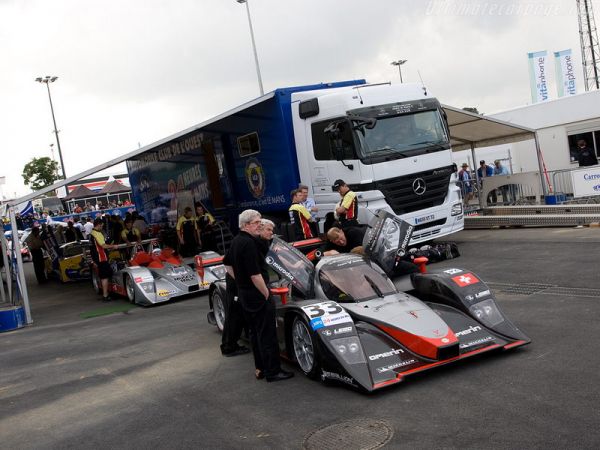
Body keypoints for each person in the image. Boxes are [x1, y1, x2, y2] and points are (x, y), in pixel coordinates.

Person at [225, 209, 293, 382]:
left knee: (255, 333)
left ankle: (261, 368)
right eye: (257, 223)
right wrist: (266, 294)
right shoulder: (249, 244)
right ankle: (273, 371)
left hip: (244, 294)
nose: (260, 225)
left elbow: (227, 264)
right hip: (256, 295)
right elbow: (255, 275)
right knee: (267, 334)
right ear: (247, 225)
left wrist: (240, 281)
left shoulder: (236, 240)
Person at [324, 226, 417, 276]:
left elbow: (363, 251)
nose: (341, 242)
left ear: (341, 231)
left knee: (411, 266)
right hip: (365, 267)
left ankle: (416, 255)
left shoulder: (355, 233)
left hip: (381, 256)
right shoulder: (331, 242)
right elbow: (320, 251)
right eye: (337, 242)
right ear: (332, 242)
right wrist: (326, 253)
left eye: (341, 238)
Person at [89, 218, 117, 302]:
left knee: (107, 274)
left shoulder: (91, 233)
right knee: (105, 277)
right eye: (102, 225)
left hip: (98, 259)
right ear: (99, 224)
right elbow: (103, 246)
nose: (102, 227)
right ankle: (105, 296)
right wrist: (113, 246)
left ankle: (108, 293)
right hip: (102, 258)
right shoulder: (97, 234)